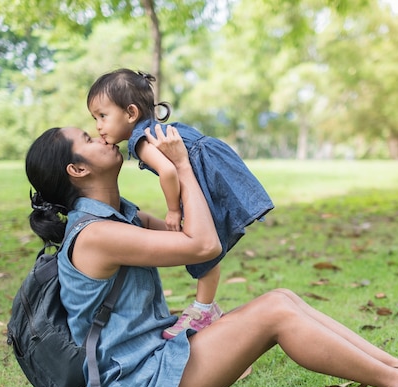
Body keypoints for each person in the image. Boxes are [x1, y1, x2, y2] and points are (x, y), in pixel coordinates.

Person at [25, 124, 398, 387]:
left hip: (159, 358)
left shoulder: (120, 215)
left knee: (280, 298)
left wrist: (187, 167)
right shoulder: (95, 235)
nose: (104, 135)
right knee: (274, 315)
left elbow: (198, 237)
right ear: (77, 168)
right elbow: (201, 245)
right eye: (89, 137)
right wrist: (181, 165)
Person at [86, 68, 274, 338]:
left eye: (103, 116)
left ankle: (203, 309)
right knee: (209, 242)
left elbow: (168, 171)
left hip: (202, 176)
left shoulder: (140, 140)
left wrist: (174, 209)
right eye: (95, 118)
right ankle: (204, 306)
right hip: (210, 168)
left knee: (203, 243)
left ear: (130, 113)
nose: (98, 126)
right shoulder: (153, 129)